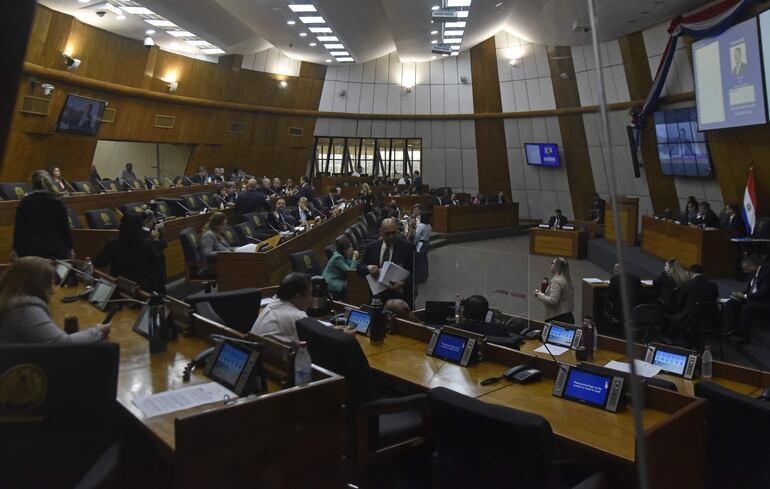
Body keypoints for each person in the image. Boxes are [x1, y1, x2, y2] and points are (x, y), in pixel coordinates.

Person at [0, 256, 111, 343]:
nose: (52, 291)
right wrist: (97, 331)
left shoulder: (9, 300)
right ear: (37, 284)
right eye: (48, 284)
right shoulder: (24, 308)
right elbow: (61, 343)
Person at [93, 212, 166, 294]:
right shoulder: (147, 244)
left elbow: (98, 263)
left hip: (118, 290)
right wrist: (157, 238)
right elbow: (158, 261)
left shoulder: (113, 243)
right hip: (142, 292)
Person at [12, 170, 73, 260]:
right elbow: (65, 228)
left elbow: (19, 228)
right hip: (55, 249)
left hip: (29, 250)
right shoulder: (57, 202)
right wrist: (70, 247)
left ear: (32, 183)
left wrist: (15, 248)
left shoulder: (25, 202)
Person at [358, 218, 415, 307]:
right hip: (377, 299)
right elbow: (360, 268)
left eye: (394, 232)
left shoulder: (408, 247)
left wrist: (404, 283)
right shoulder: (372, 247)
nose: (391, 236)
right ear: (381, 231)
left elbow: (416, 272)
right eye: (387, 233)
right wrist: (368, 268)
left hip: (400, 298)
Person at [250, 272, 311, 344]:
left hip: (253, 351)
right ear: (298, 296)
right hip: (269, 354)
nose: (312, 298)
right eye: (310, 294)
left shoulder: (272, 304)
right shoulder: (299, 317)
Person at [723, 257, 770, 340]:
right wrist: (740, 294)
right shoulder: (752, 273)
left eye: (746, 269)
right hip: (752, 298)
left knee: (747, 308)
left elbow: (763, 293)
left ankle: (742, 334)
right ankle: (731, 329)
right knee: (730, 303)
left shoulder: (766, 274)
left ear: (752, 266)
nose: (745, 272)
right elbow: (749, 289)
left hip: (764, 301)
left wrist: (745, 296)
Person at [666, 264, 719, 332]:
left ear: (691, 273)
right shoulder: (714, 285)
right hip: (710, 317)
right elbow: (715, 300)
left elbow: (679, 303)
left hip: (689, 318)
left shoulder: (687, 284)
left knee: (671, 316)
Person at [454, 295, 520, 348]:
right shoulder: (499, 330)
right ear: (486, 313)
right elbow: (512, 345)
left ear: (464, 313)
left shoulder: (452, 329)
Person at [533, 257, 574, 324]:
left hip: (557, 318)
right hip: (568, 315)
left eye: (552, 263)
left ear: (557, 267)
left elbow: (553, 300)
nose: (550, 264)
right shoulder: (568, 278)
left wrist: (539, 294)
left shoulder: (556, 281)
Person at [411, 212, 432, 285]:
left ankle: (419, 278)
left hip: (421, 244)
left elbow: (416, 236)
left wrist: (413, 243)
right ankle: (424, 276)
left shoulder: (420, 225)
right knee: (424, 260)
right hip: (427, 244)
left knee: (418, 261)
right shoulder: (429, 226)